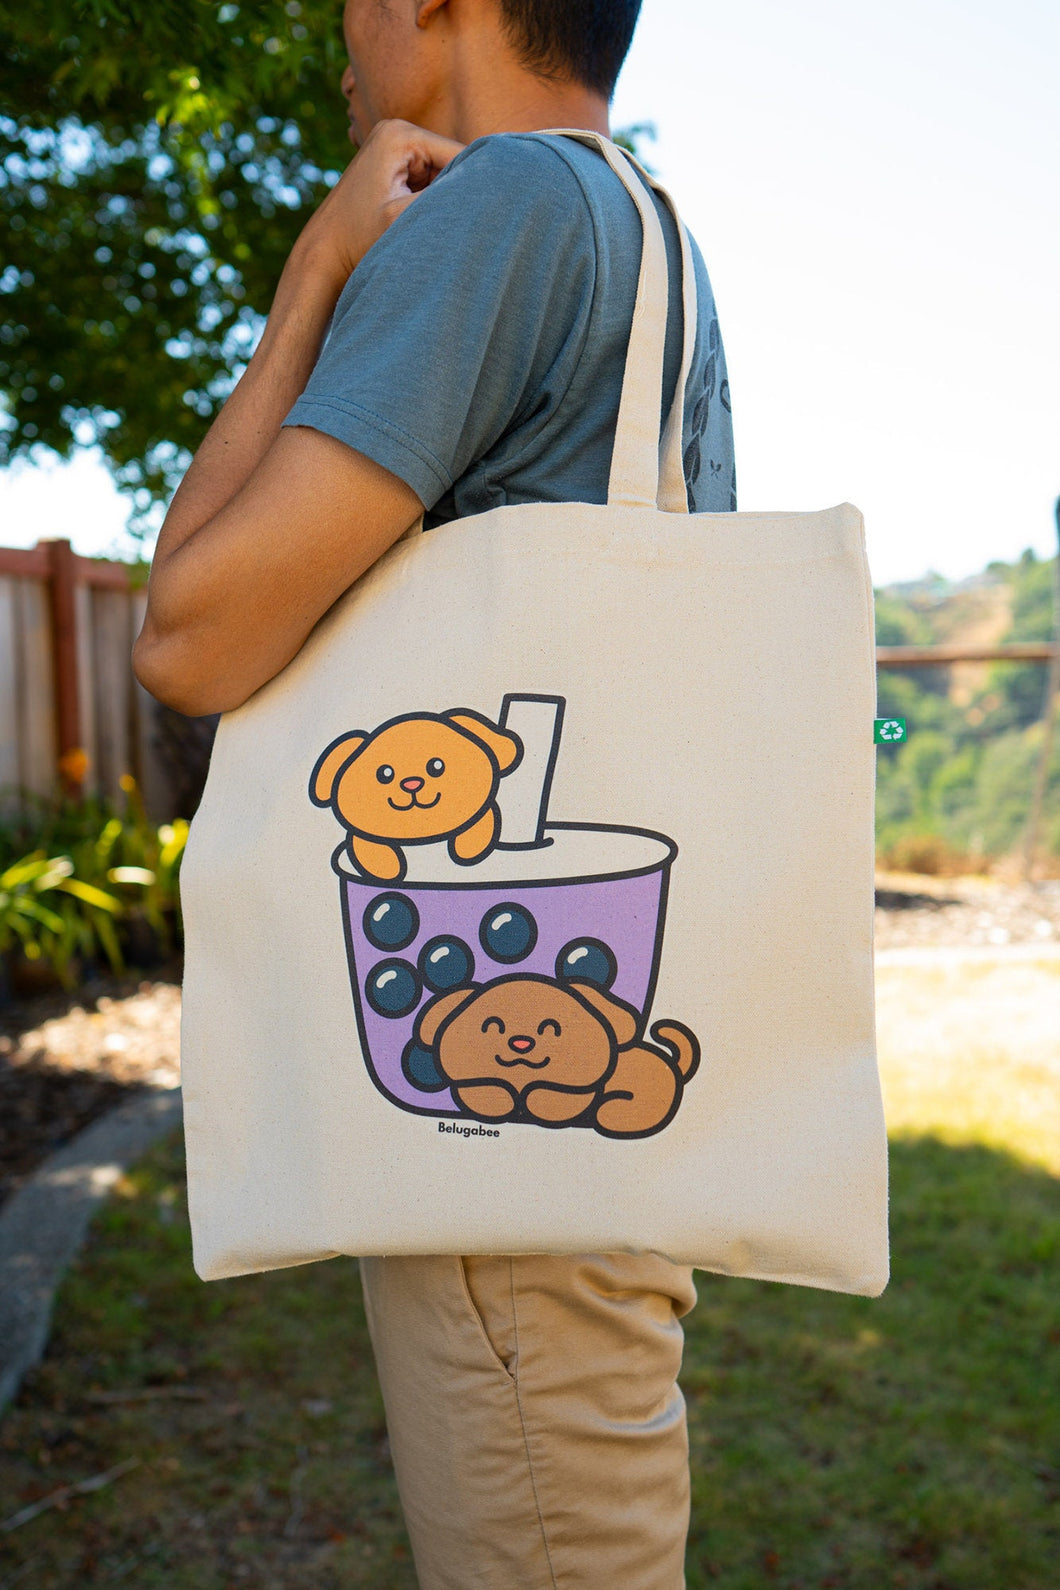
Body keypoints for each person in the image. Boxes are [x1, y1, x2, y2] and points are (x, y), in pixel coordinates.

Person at [135, 2, 735, 1584]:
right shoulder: (639, 226)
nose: (335, 40)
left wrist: (313, 278)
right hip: (590, 1133)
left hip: (499, 1138)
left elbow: (189, 631)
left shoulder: (506, 206)